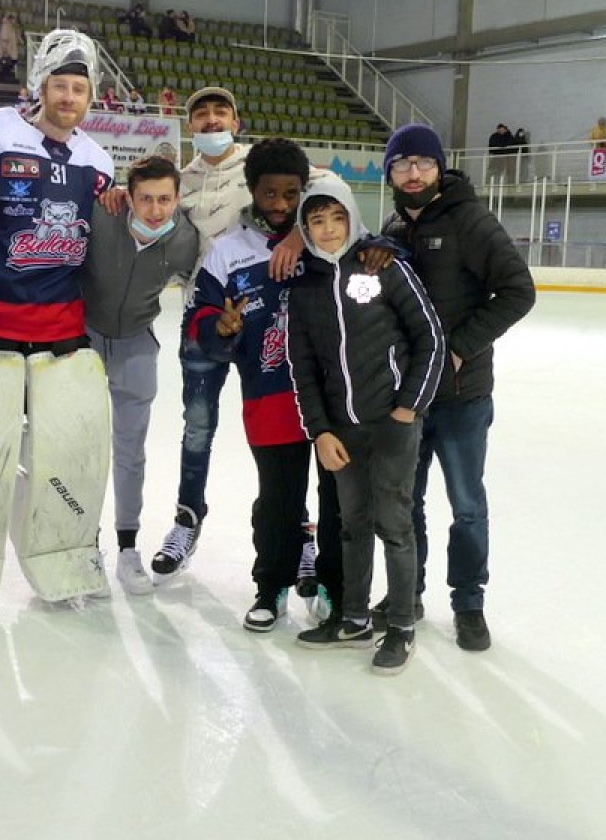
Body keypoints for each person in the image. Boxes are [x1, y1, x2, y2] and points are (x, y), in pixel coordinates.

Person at [0, 28, 115, 606]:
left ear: (92, 96)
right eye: (59, 84)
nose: (68, 96)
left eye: (79, 87)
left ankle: (66, 567)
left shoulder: (96, 159)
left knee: (70, 461)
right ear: (39, 85)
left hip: (64, 341)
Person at [370, 123, 535, 652]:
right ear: (390, 173)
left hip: (462, 396)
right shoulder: (393, 229)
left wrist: (459, 347)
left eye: (422, 163)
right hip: (409, 398)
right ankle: (409, 595)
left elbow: (517, 290)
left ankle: (468, 602)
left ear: (439, 169)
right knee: (407, 501)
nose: (412, 173)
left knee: (466, 503)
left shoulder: (470, 221)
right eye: (402, 164)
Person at [288, 174, 445, 674]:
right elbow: (304, 366)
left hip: (392, 424)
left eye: (337, 217)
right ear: (305, 227)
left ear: (352, 215)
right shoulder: (306, 286)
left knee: (394, 525)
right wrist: (321, 431)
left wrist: (408, 409)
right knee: (352, 526)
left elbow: (431, 339)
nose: (330, 229)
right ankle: (355, 617)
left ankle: (400, 624)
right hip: (343, 431)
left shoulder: (382, 266)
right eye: (317, 220)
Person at [183, 138, 329, 631]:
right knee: (278, 499)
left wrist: (303, 237)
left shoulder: (327, 235)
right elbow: (198, 313)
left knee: (338, 497)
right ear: (251, 190)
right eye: (270, 194)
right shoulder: (227, 251)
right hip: (271, 396)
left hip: (335, 398)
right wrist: (217, 329)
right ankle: (272, 586)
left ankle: (333, 582)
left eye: (293, 193)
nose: (282, 204)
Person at [80, 155, 199, 595]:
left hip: (136, 345)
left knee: (130, 452)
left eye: (164, 199)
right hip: (83, 342)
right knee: (82, 451)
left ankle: (127, 547)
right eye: (145, 199)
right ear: (128, 197)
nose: (154, 209)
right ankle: (82, 546)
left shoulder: (186, 240)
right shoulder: (102, 215)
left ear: (177, 198)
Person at [0, 13, 19, 81]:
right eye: (14, 19)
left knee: (9, 63)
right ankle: (1, 77)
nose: (15, 21)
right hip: (7, 50)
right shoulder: (6, 26)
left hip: (10, 50)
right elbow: (4, 38)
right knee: (7, 64)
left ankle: (2, 77)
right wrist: (5, 50)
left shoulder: (11, 27)